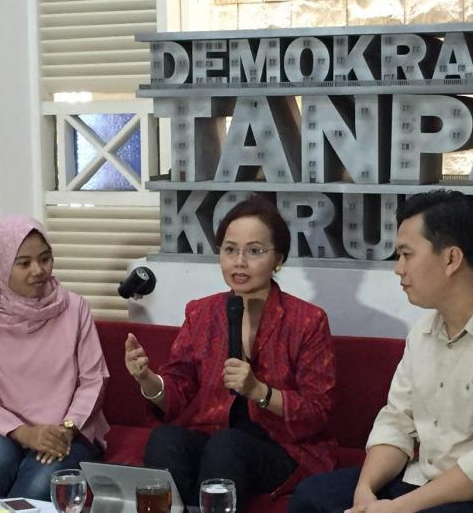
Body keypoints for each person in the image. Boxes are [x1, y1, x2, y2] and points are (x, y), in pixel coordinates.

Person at [289, 190, 473, 513]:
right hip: (425, 480)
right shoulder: (423, 332)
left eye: (406, 255)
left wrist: (399, 509)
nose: (398, 269)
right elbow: (397, 422)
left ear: (451, 259)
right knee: (313, 495)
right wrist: (365, 492)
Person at [125, 195, 337, 512]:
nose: (239, 262)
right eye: (230, 250)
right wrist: (148, 380)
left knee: (227, 446)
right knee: (165, 439)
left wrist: (259, 391)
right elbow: (178, 389)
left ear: (278, 259)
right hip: (211, 435)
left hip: (282, 447)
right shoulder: (201, 313)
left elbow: (317, 412)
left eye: (254, 251)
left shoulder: (307, 321)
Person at [0, 215, 109, 502]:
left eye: (45, 259)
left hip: (65, 429)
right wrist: (25, 433)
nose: (38, 270)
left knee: (40, 483)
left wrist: (67, 428)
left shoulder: (74, 308)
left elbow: (93, 380)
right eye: (24, 263)